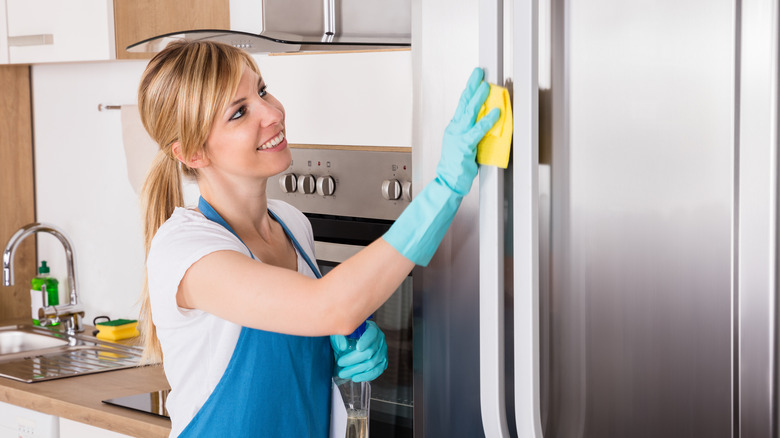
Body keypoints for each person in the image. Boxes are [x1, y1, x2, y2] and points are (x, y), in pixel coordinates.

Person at [137, 40, 499, 437]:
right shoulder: (185, 250)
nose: (273, 113)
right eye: (239, 113)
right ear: (192, 154)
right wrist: (445, 189)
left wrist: (335, 353)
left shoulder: (293, 224)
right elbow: (329, 305)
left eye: (261, 91)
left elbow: (298, 351)